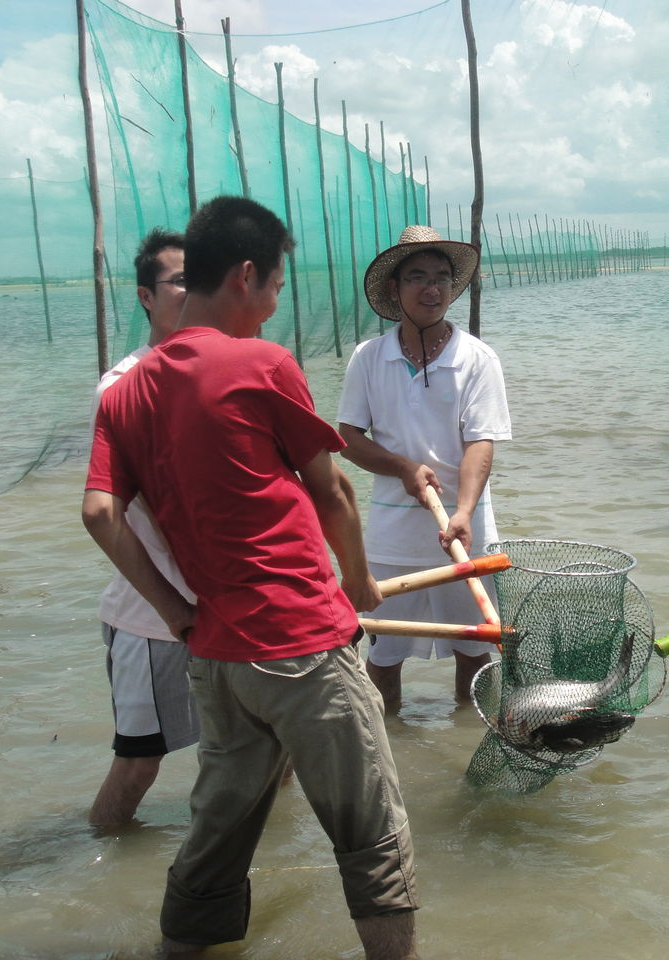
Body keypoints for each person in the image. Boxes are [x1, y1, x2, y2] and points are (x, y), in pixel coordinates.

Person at [82, 196, 419, 958]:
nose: (272, 308)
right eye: (274, 288)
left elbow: (100, 515)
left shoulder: (123, 392)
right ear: (243, 276)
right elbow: (330, 493)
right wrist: (358, 582)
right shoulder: (261, 363)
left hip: (217, 657)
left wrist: (174, 613)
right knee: (372, 832)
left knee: (216, 838)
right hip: (303, 644)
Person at [337, 225, 512, 708]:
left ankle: (464, 737)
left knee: (475, 648)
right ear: (395, 289)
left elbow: (480, 443)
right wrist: (403, 468)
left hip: (465, 526)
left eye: (441, 277)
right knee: (384, 649)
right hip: (392, 532)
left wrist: (464, 511)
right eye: (417, 277)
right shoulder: (369, 358)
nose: (432, 289)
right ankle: (388, 740)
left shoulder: (478, 358)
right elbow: (346, 438)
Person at [87, 229, 200, 828]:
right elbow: (148, 508)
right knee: (138, 765)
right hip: (151, 615)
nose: (191, 289)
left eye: (198, 277)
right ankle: (99, 858)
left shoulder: (221, 372)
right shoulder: (122, 386)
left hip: (224, 606)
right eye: (178, 279)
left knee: (268, 749)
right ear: (145, 298)